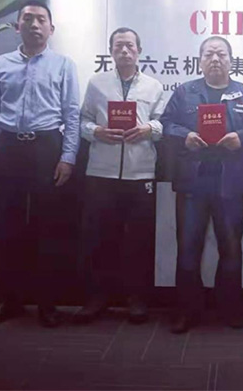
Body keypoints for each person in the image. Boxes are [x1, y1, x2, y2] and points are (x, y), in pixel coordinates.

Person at [0, 0, 80, 328]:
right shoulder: (0, 65)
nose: (35, 24)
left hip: (46, 147)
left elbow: (72, 115)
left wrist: (67, 157)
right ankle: (9, 301)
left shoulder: (64, 65)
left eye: (41, 19)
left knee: (48, 227)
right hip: (8, 148)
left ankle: (47, 304)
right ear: (17, 26)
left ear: (51, 28)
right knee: (7, 226)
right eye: (28, 18)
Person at [160, 36, 243, 334]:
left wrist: (241, 138)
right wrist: (184, 136)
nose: (215, 59)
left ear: (231, 60)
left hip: (231, 181)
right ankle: (186, 310)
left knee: (231, 247)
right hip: (192, 182)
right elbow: (166, 124)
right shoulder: (184, 92)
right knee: (188, 247)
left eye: (221, 54)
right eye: (209, 54)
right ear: (200, 60)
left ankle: (230, 308)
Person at [74, 27, 165, 324]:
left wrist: (148, 129)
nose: (124, 51)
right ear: (111, 51)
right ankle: (97, 298)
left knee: (138, 239)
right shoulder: (97, 83)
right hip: (102, 172)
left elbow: (163, 124)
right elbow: (83, 121)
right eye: (118, 46)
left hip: (141, 173)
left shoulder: (154, 86)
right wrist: (96, 131)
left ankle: (136, 298)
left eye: (130, 46)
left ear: (139, 51)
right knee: (100, 237)